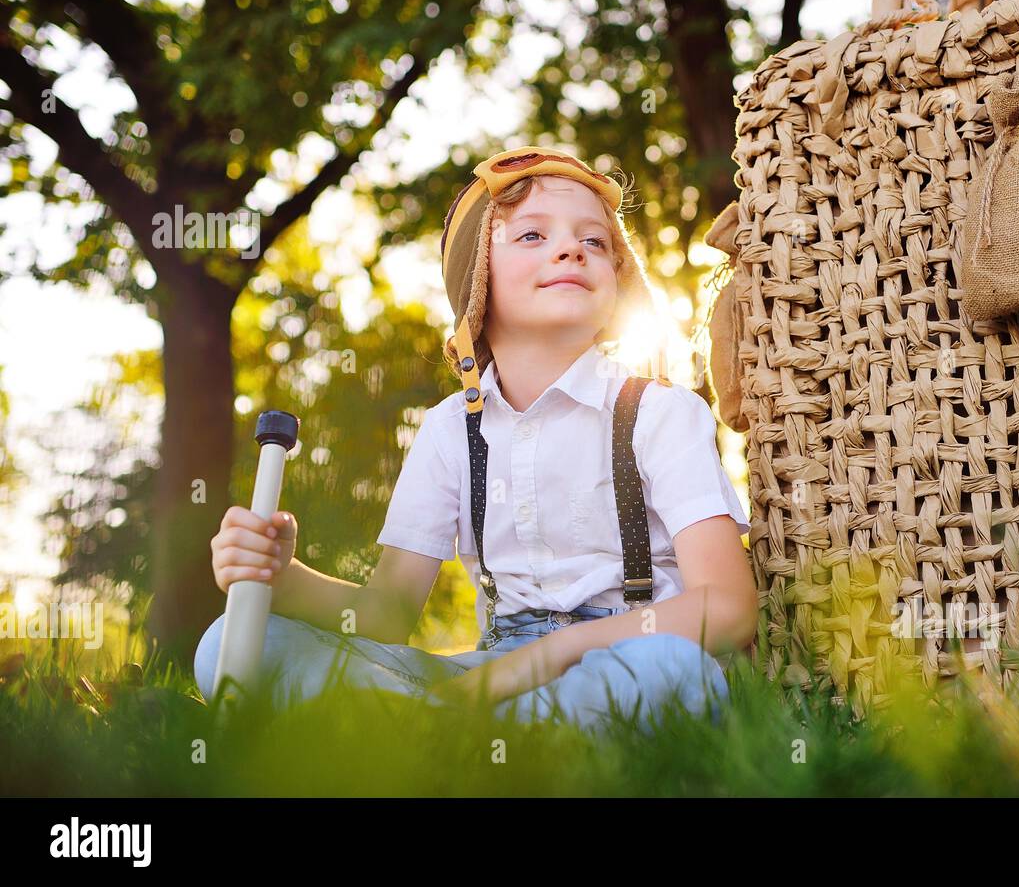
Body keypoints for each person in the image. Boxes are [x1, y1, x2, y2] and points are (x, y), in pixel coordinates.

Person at [194, 145, 756, 736]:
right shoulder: (446, 432)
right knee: (232, 642)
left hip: (628, 653)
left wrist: (544, 657)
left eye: (594, 242)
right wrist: (283, 577)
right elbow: (385, 615)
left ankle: (418, 735)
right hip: (487, 678)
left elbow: (728, 608)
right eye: (532, 235)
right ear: (477, 281)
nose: (571, 248)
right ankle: (467, 733)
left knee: (674, 672)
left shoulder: (659, 412)